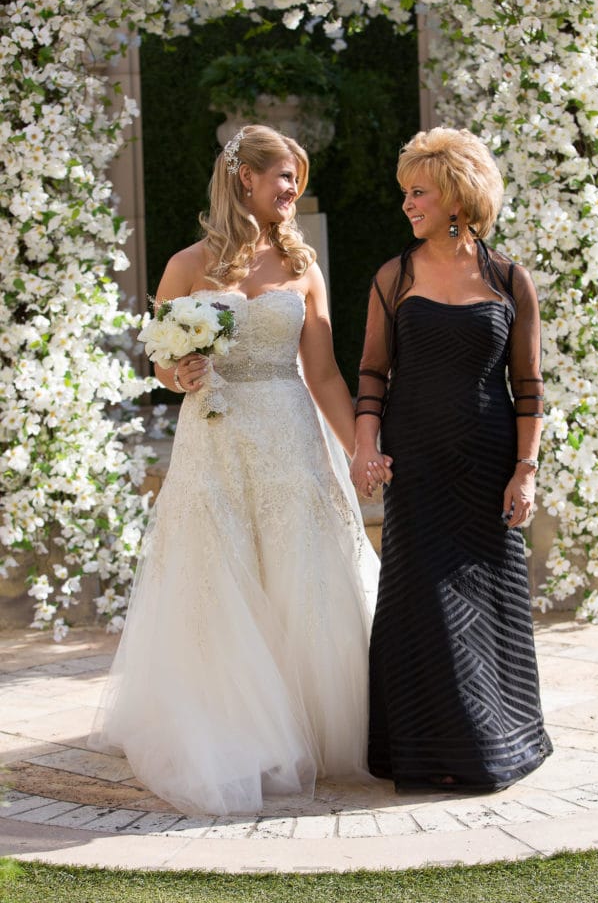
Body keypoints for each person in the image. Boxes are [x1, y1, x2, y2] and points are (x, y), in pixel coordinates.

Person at [90, 124, 388, 815]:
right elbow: (161, 362)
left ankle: (309, 722)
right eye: (282, 176)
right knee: (219, 579)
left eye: (296, 178)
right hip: (215, 440)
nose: (292, 190)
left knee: (300, 574)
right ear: (242, 179)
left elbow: (324, 375)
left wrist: (359, 450)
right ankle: (234, 725)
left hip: (288, 434)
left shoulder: (303, 268)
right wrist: (180, 369)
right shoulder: (188, 263)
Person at [350, 126, 553, 792]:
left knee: (489, 600)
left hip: (488, 461)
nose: (407, 204)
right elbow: (372, 374)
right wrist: (366, 444)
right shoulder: (394, 276)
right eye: (405, 192)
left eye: (419, 192)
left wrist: (525, 471)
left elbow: (528, 387)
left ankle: (499, 742)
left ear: (459, 197)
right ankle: (424, 749)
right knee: (423, 601)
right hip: (417, 462)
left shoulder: (509, 280)